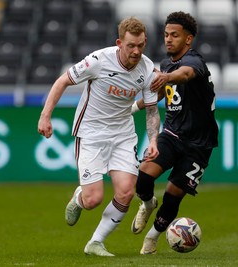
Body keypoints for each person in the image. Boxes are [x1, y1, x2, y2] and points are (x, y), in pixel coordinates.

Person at [37, 17, 161, 256]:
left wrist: (153, 140)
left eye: (141, 45)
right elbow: (63, 81)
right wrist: (45, 116)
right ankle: (80, 197)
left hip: (123, 134)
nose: (136, 51)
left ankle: (96, 242)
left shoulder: (147, 69)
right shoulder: (98, 61)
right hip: (91, 132)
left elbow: (152, 109)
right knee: (93, 199)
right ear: (119, 43)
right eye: (131, 46)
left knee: (126, 191)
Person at [130, 11, 219, 254]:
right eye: (166, 35)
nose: (168, 39)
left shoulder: (195, 62)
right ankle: (147, 204)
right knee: (144, 177)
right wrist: (135, 106)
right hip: (172, 133)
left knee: (173, 195)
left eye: (175, 35)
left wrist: (167, 77)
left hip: (199, 145)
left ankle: (152, 238)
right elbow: (161, 91)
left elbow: (185, 75)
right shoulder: (166, 64)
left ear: (188, 39)